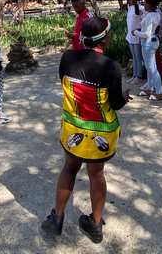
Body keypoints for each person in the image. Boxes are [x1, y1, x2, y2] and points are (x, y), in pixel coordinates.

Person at [41, 17, 132, 243]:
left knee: (69, 168)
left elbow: (64, 80)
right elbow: (116, 104)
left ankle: (57, 220)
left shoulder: (68, 57)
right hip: (101, 130)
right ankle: (95, 224)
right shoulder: (111, 66)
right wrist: (124, 97)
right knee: (96, 174)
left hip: (74, 126)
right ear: (105, 38)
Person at [132, 0, 162, 100]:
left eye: (145, 2)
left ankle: (159, 91)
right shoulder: (156, 14)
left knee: (151, 68)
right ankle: (150, 88)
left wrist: (135, 32)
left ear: (149, 4)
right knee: (150, 66)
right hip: (153, 41)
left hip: (148, 43)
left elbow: (146, 33)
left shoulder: (150, 16)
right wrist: (141, 17)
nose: (143, 4)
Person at [125, 0, 145, 85]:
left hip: (137, 36)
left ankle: (139, 76)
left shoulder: (141, 8)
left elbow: (144, 21)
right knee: (134, 57)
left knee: (139, 57)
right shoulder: (130, 8)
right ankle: (134, 75)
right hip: (130, 36)